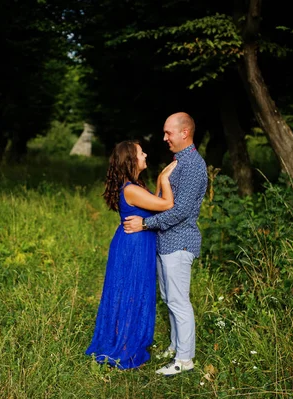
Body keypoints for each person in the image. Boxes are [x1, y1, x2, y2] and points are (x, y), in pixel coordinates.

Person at [123, 112, 207, 376]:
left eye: (168, 133)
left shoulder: (192, 164)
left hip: (180, 241)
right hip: (166, 241)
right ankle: (175, 347)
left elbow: (180, 211)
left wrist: (145, 225)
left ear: (185, 133)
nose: (164, 138)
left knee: (179, 301)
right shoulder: (178, 162)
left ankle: (185, 359)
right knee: (169, 298)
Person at [85, 140, 178, 369]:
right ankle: (124, 344)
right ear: (131, 160)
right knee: (131, 291)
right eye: (141, 152)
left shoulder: (134, 186)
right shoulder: (131, 189)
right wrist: (164, 179)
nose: (145, 154)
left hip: (135, 243)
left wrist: (158, 181)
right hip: (133, 247)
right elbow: (167, 204)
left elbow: (153, 204)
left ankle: (125, 338)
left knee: (132, 291)